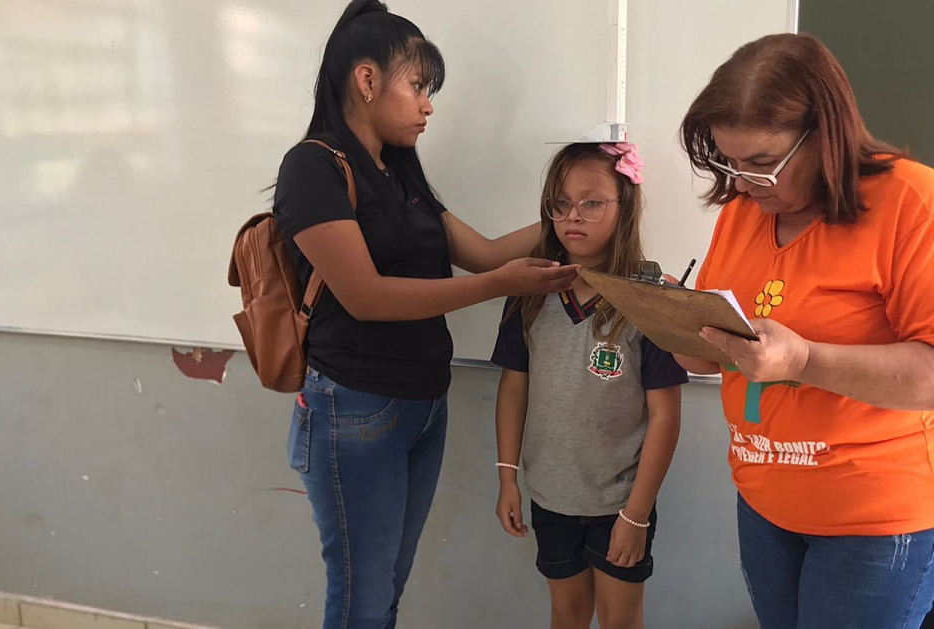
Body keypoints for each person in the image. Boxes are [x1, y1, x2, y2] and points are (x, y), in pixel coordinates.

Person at [272, 2, 577, 627]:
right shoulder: (312, 167)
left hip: (421, 408)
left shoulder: (400, 173)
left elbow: (485, 253)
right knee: (361, 597)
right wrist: (498, 285)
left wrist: (572, 219)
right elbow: (367, 295)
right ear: (366, 80)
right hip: (354, 408)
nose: (428, 106)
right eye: (418, 86)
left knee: (387, 587)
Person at [676, 33, 934, 629]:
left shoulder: (917, 204)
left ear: (827, 134)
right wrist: (676, 325)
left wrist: (803, 361)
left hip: (877, 518)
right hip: (765, 499)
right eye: (727, 161)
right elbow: (728, 353)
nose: (742, 183)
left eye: (762, 163)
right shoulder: (742, 213)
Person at [491, 143, 687, 629]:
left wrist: (636, 515)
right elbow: (514, 390)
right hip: (550, 497)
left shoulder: (649, 299)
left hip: (620, 503)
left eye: (592, 202)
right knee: (567, 614)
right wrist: (507, 477)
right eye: (559, 204)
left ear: (625, 207)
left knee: (620, 621)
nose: (572, 216)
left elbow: (665, 415)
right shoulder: (529, 293)